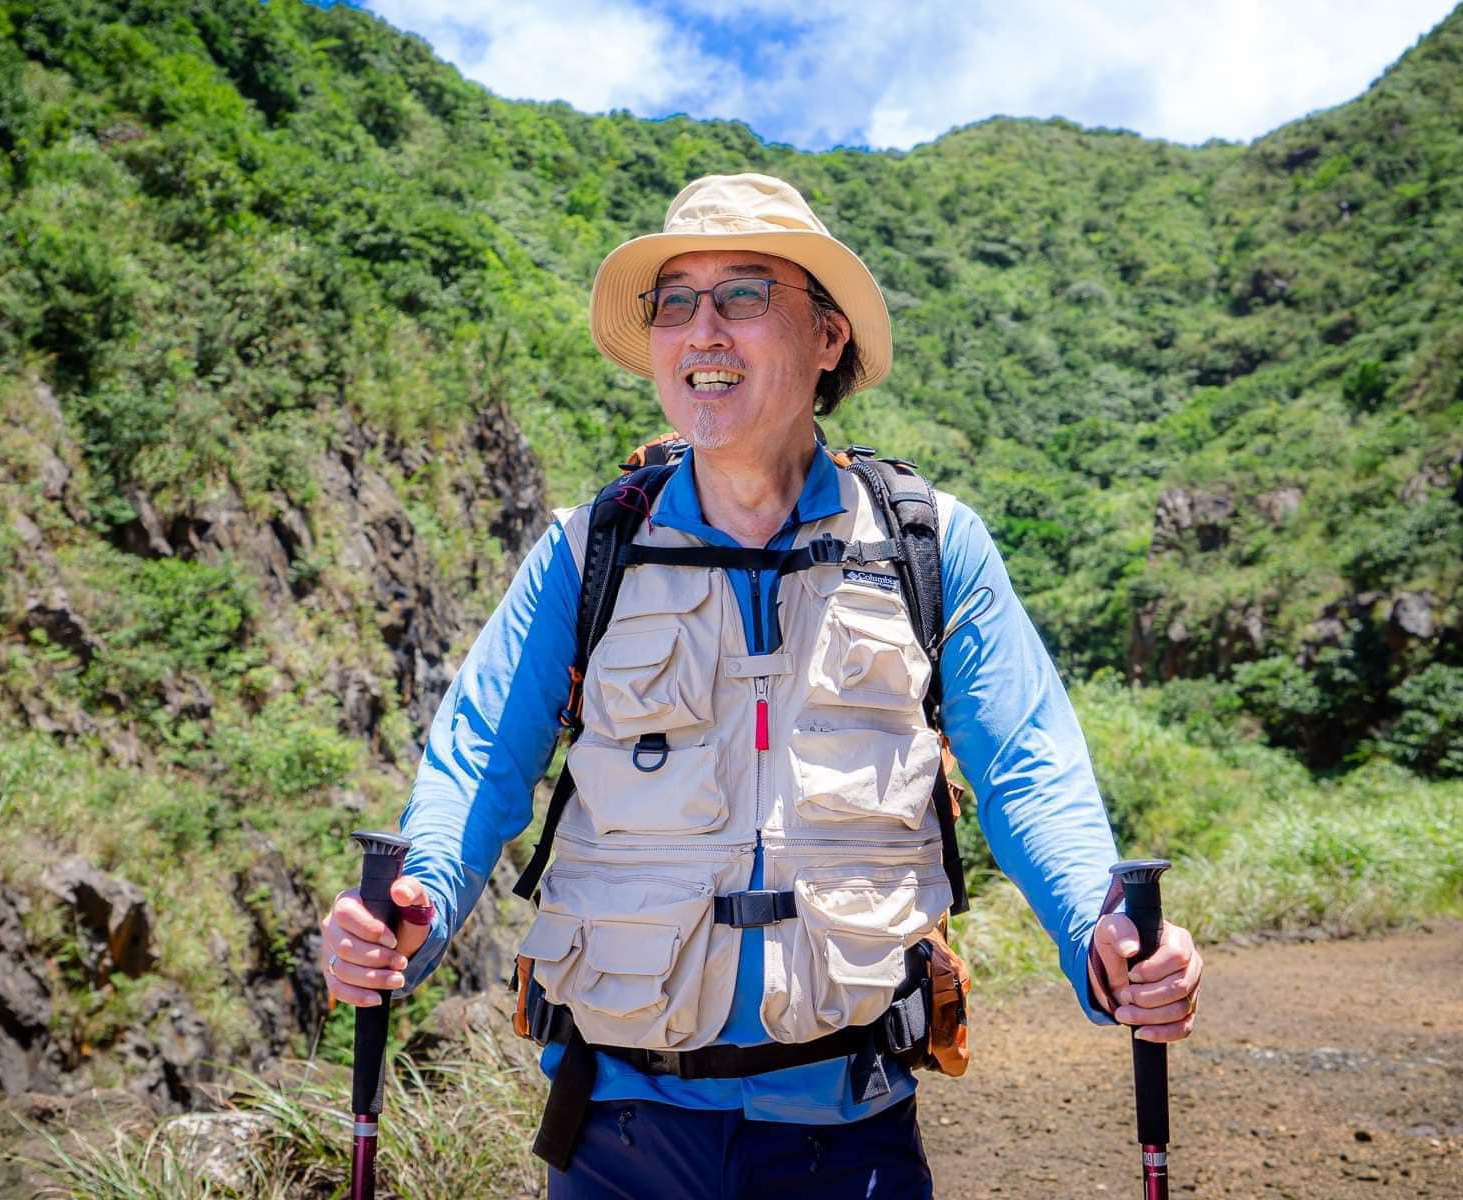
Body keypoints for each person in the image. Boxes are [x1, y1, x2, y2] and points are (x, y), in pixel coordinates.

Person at [321, 173, 1203, 1198]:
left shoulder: (930, 545)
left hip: (850, 1135)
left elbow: (1029, 772)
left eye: (742, 295)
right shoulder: (588, 552)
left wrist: (1103, 929)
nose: (702, 331)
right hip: (620, 1140)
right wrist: (416, 897)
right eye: (675, 302)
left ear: (828, 338)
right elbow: (478, 758)